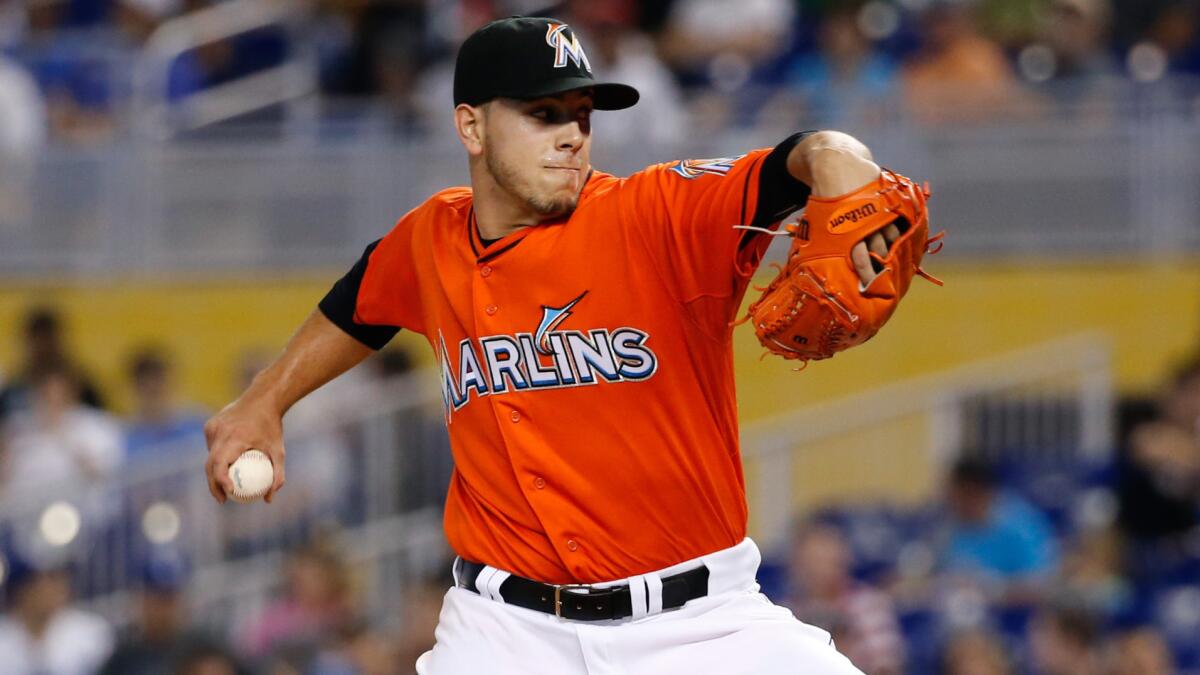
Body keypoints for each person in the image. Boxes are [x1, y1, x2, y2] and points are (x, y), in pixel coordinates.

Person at [204, 15, 921, 674]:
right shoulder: (431, 237)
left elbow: (795, 164)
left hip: (701, 625)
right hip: (505, 629)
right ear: (472, 128)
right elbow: (357, 304)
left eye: (581, 116)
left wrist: (833, 153)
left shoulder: (655, 214)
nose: (573, 135)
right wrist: (261, 401)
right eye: (543, 115)